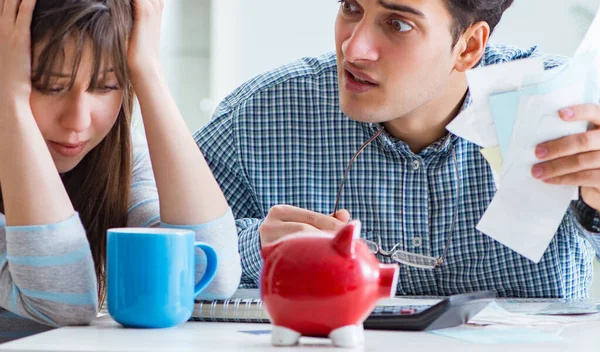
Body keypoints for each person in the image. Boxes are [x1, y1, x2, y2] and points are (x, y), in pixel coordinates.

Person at [195, 0, 600, 299]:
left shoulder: (563, 109)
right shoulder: (262, 115)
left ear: (469, 47)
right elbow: (161, 235)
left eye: (398, 24)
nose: (353, 50)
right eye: (351, 7)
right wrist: (255, 250)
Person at [0, 0, 241, 340]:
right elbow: (65, 305)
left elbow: (207, 276)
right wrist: (10, 102)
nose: (78, 121)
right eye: (51, 87)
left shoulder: (118, 160)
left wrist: (148, 71)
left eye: (106, 86)